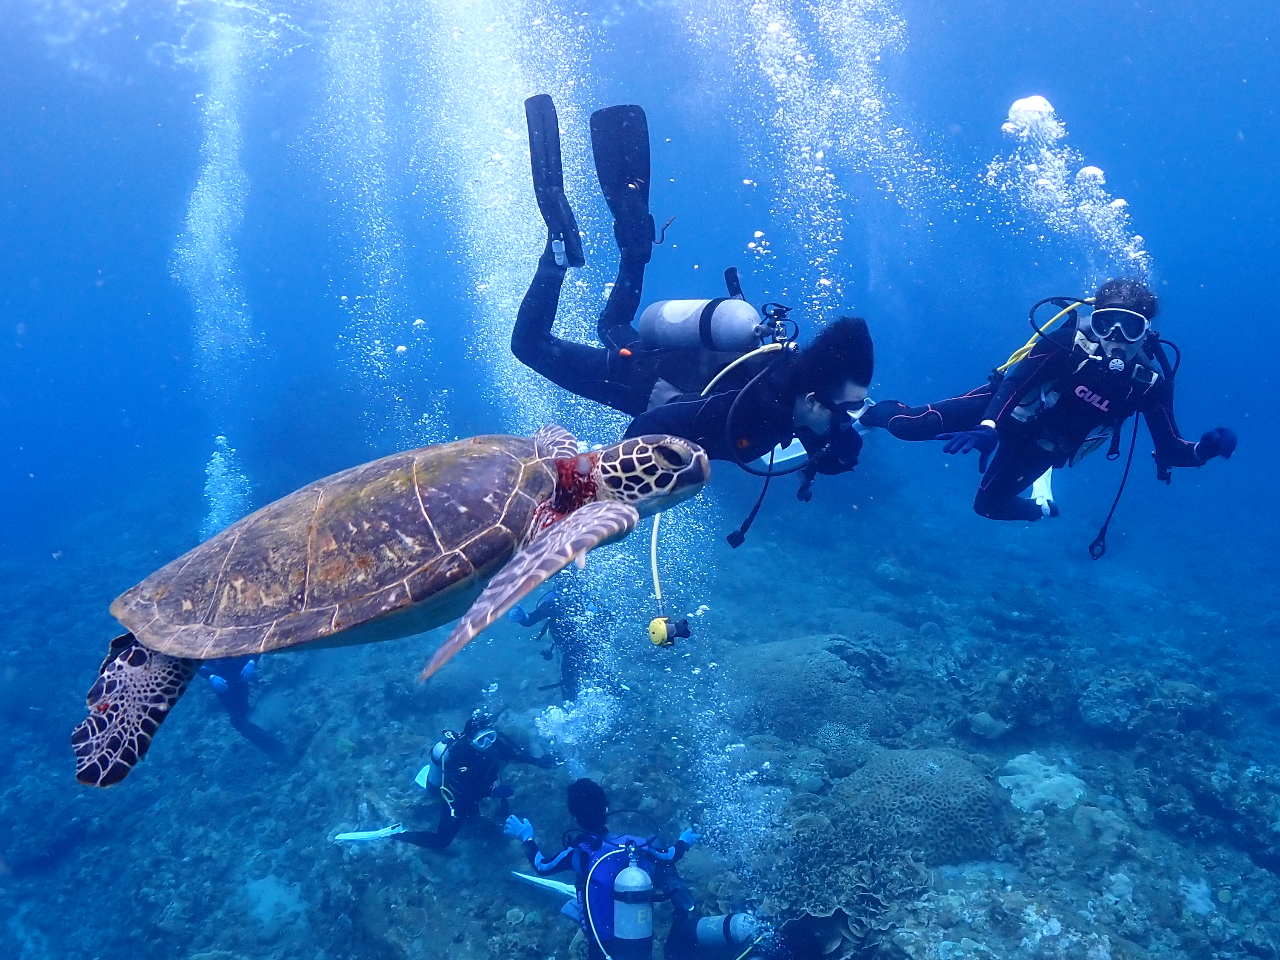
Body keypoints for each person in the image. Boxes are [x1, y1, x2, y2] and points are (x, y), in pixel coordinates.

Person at [513, 95, 873, 491]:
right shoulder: (750, 411)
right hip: (639, 383)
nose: (846, 421)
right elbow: (652, 424)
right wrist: (597, 486)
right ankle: (557, 249)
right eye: (844, 415)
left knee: (613, 324)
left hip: (663, 358)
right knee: (529, 346)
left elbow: (823, 421)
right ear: (811, 401)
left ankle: (635, 246)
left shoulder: (797, 384)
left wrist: (844, 443)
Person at [860, 278, 1237, 524]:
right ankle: (861, 411)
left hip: (1045, 445)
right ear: (1094, 320)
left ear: (1147, 333)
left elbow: (1169, 448)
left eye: (1131, 327)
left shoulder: (1148, 384)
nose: (1117, 337)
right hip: (1004, 409)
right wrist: (988, 427)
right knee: (911, 427)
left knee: (988, 507)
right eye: (1106, 324)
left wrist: (1203, 450)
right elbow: (1014, 381)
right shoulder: (1066, 341)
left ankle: (1040, 505)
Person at [506, 778, 760, 959]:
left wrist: (526, 837)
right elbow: (669, 855)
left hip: (601, 947)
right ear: (607, 808)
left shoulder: (576, 854)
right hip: (638, 941)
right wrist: (685, 841)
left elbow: (541, 866)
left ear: (574, 816)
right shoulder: (634, 845)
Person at [336, 711, 556, 851]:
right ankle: (396, 833)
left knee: (489, 813)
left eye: (490, 736)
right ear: (470, 740)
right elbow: (462, 788)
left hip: (481, 787)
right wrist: (490, 792)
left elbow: (515, 754)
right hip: (454, 796)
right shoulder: (460, 754)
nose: (489, 743)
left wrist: (539, 761)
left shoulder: (495, 742)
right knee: (442, 842)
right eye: (482, 740)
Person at [508, 584, 614, 701]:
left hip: (584, 648)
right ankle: (616, 695)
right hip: (573, 650)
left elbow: (608, 617)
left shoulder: (581, 599)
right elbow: (530, 620)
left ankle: (616, 695)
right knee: (585, 677)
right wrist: (522, 618)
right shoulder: (553, 603)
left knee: (590, 677)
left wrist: (523, 618)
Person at [199, 655, 291, 763]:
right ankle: (279, 751)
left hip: (240, 676)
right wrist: (210, 677)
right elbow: (189, 661)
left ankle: (278, 750)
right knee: (238, 720)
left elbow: (257, 644)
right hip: (222, 682)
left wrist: (252, 661)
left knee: (241, 716)